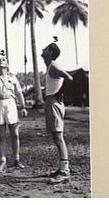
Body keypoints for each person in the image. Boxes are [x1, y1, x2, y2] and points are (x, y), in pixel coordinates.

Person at [41, 43, 73, 183]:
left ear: (51, 53)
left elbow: (69, 78)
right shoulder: (50, 67)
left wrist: (58, 94)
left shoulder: (54, 66)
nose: (43, 49)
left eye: (46, 48)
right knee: (56, 137)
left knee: (59, 137)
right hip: (51, 102)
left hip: (54, 103)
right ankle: (61, 168)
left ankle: (65, 172)